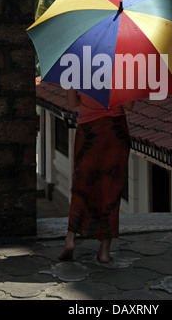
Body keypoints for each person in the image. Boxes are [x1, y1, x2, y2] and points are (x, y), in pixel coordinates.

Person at [58, 89, 134, 263]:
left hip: (89, 132)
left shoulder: (81, 67)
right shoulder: (123, 69)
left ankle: (70, 239)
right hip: (115, 132)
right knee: (111, 190)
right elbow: (129, 105)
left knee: (81, 186)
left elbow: (72, 103)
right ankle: (104, 251)